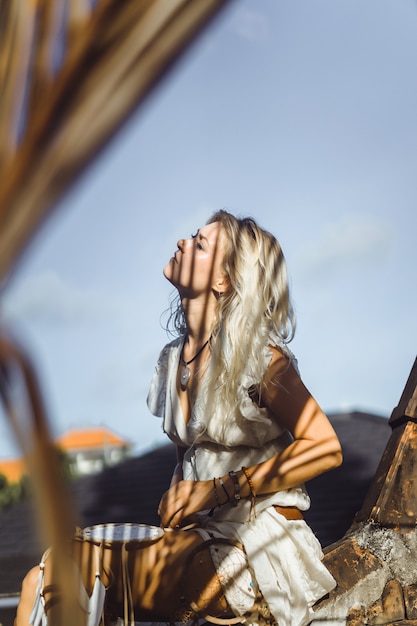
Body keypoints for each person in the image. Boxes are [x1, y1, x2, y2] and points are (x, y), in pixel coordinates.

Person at [15, 209, 342, 626]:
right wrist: (180, 502)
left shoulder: (261, 360)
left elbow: (326, 447)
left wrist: (218, 491)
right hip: (195, 540)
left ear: (223, 281)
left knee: (74, 567)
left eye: (200, 244)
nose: (183, 243)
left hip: (256, 545)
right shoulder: (173, 362)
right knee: (36, 582)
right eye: (191, 236)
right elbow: (186, 462)